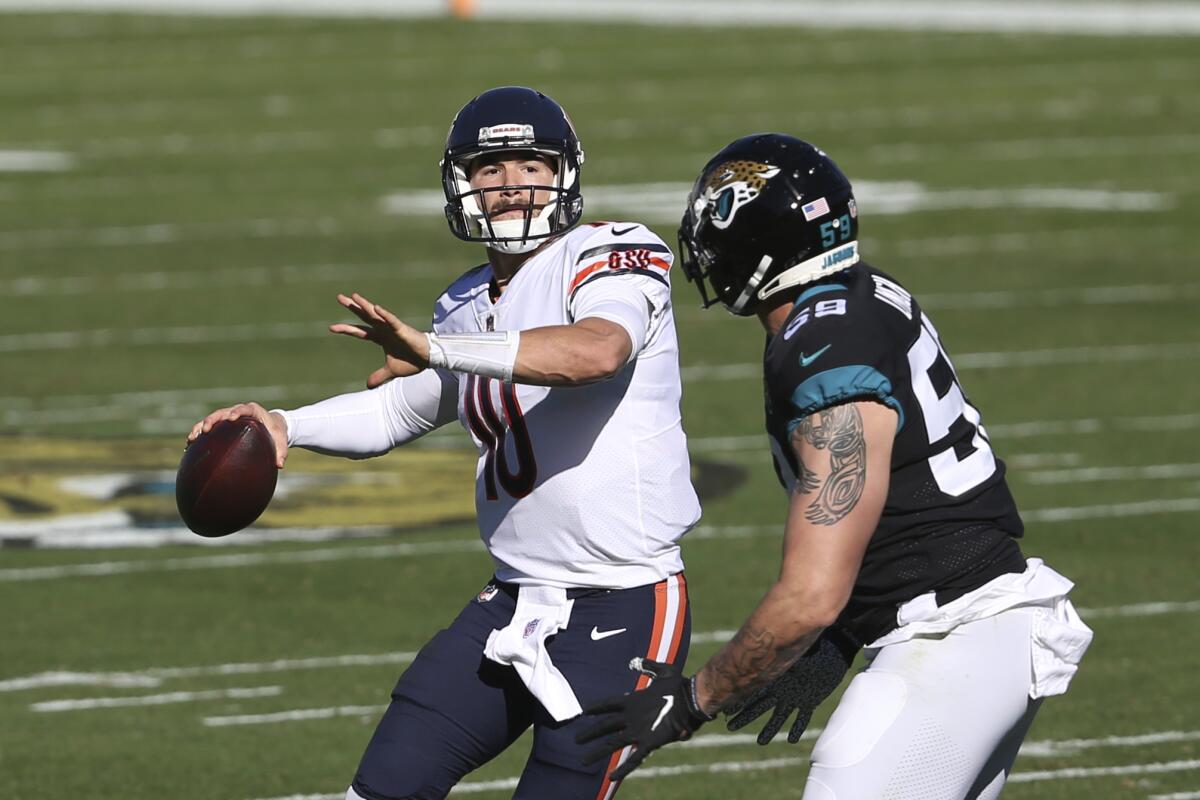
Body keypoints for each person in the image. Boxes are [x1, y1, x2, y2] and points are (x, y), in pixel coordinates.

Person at [188, 86, 700, 800]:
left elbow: (596, 352)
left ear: (565, 172)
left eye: (530, 163)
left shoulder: (612, 253)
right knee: (382, 788)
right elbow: (400, 410)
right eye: (491, 169)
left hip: (623, 604)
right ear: (462, 184)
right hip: (513, 597)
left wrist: (440, 347)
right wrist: (285, 425)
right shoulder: (465, 302)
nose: (513, 185)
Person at [578, 134, 1094, 799]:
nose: (703, 241)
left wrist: (694, 701)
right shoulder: (858, 292)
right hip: (974, 625)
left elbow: (810, 594)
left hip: (951, 633)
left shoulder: (821, 347)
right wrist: (844, 637)